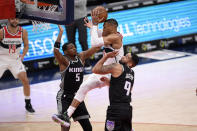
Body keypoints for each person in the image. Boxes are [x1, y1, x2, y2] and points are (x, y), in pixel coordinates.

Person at [52, 8, 124, 127]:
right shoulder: (106, 33)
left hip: (115, 74)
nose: (103, 28)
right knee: (84, 87)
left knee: (116, 103)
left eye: (104, 26)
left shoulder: (115, 37)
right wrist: (92, 27)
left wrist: (95, 24)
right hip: (103, 71)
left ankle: (126, 126)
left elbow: (95, 43)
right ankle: (66, 115)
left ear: (112, 27)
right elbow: (96, 35)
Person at [52, 25, 101, 131]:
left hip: (78, 96)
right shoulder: (64, 61)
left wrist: (94, 30)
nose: (74, 48)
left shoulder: (81, 57)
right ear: (65, 52)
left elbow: (96, 48)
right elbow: (56, 51)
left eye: (74, 47)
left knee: (88, 127)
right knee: (65, 124)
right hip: (65, 96)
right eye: (71, 48)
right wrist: (60, 32)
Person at [92, 51, 139, 131]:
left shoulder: (117, 67)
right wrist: (110, 83)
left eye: (127, 57)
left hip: (115, 110)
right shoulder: (132, 73)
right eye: (125, 55)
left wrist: (106, 56)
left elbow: (95, 69)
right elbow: (125, 89)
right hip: (127, 110)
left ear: (131, 64)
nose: (123, 56)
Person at [0, 18, 35, 113]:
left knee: (25, 80)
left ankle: (28, 103)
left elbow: (26, 45)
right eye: (12, 19)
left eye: (16, 19)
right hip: (1, 59)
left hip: (15, 60)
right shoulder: (2, 32)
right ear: (8, 20)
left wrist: (23, 54)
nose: (14, 21)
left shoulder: (23, 32)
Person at [65, 0, 92, 71]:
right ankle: (75, 64)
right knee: (70, 43)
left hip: (81, 17)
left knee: (83, 41)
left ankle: (87, 63)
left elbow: (82, 2)